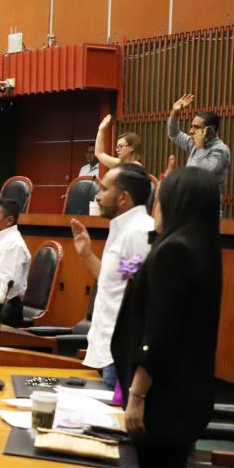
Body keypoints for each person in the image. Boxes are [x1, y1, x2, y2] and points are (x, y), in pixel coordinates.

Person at [111, 166, 222, 468]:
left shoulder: (175, 251)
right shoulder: (198, 246)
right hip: (182, 396)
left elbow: (161, 335)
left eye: (161, 197)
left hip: (165, 399)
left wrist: (137, 395)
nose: (155, 204)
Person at [70, 163, 154, 389]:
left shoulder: (139, 232)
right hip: (107, 350)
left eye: (104, 189)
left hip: (121, 354)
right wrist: (87, 255)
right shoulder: (123, 229)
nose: (98, 196)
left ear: (123, 197)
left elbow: (145, 299)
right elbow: (117, 282)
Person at [166, 93, 232, 196]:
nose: (191, 131)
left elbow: (204, 173)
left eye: (196, 127)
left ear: (210, 130)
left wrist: (201, 147)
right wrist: (174, 113)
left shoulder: (221, 150)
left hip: (206, 204)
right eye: (191, 126)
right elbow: (174, 134)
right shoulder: (194, 144)